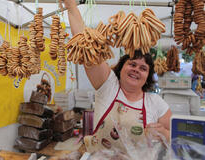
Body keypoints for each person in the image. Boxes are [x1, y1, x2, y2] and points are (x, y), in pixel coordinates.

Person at [63, 0, 172, 153]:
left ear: (147, 77)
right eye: (132, 64)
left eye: (143, 68)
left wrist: (165, 134)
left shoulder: (156, 103)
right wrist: (71, 6)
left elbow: (176, 138)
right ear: (120, 68)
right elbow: (83, 42)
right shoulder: (108, 86)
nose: (136, 70)